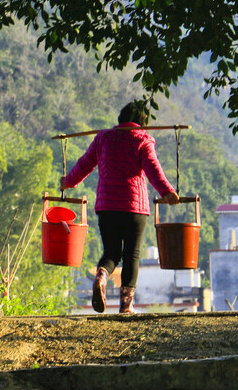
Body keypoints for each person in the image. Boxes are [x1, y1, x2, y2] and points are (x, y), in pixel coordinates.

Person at [60, 101, 180, 313]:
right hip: (135, 208)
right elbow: (153, 170)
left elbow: (84, 164)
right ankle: (126, 305)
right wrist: (167, 192)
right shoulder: (142, 139)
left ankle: (102, 275)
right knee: (131, 254)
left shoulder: (103, 138)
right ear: (143, 122)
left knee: (112, 252)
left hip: (107, 207)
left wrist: (68, 182)